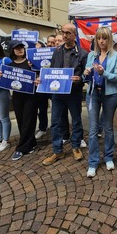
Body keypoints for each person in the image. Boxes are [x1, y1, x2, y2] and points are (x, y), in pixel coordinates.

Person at [42, 23, 88, 165]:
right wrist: (43, 79)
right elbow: (52, 71)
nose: (65, 35)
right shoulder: (56, 52)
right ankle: (57, 151)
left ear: (75, 35)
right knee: (55, 122)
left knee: (76, 120)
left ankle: (75, 147)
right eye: (63, 32)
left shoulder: (82, 53)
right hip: (57, 93)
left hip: (74, 93)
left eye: (68, 33)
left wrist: (80, 79)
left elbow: (87, 75)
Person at [83, 27, 117, 178]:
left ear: (109, 39)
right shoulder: (92, 55)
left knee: (108, 127)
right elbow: (87, 74)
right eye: (99, 38)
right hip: (93, 94)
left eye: (104, 38)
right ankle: (93, 162)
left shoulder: (116, 56)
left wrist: (103, 72)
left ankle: (108, 157)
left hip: (110, 95)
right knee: (93, 130)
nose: (101, 41)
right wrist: (86, 73)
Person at [1, 40, 37, 160]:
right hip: (17, 97)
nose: (20, 49)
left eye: (21, 47)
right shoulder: (9, 65)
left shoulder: (31, 63)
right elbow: (5, 81)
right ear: (12, 50)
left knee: (28, 121)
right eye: (17, 48)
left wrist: (37, 79)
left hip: (30, 96)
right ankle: (31, 143)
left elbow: (39, 75)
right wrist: (1, 77)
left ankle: (20, 149)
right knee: (21, 121)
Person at [35, 36, 54, 140]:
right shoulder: (39, 55)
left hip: (53, 85)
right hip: (41, 85)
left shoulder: (56, 53)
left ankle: (57, 127)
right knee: (42, 109)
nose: (50, 44)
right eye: (48, 42)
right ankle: (42, 128)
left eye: (52, 42)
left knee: (56, 107)